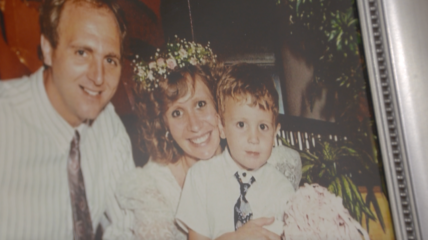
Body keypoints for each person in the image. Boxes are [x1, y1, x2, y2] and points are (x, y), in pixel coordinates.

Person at [117, 39, 301, 240]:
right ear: (163, 124)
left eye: (201, 104)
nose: (194, 125)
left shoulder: (276, 168)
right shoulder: (155, 189)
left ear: (219, 108)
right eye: (177, 113)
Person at [0, 0, 135, 239]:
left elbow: (129, 224)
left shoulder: (108, 124)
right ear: (48, 49)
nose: (98, 77)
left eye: (110, 60)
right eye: (82, 52)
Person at [175, 63, 297, 240]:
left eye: (263, 127)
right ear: (221, 126)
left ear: (275, 132)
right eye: (241, 125)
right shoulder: (201, 177)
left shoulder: (282, 189)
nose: (253, 138)